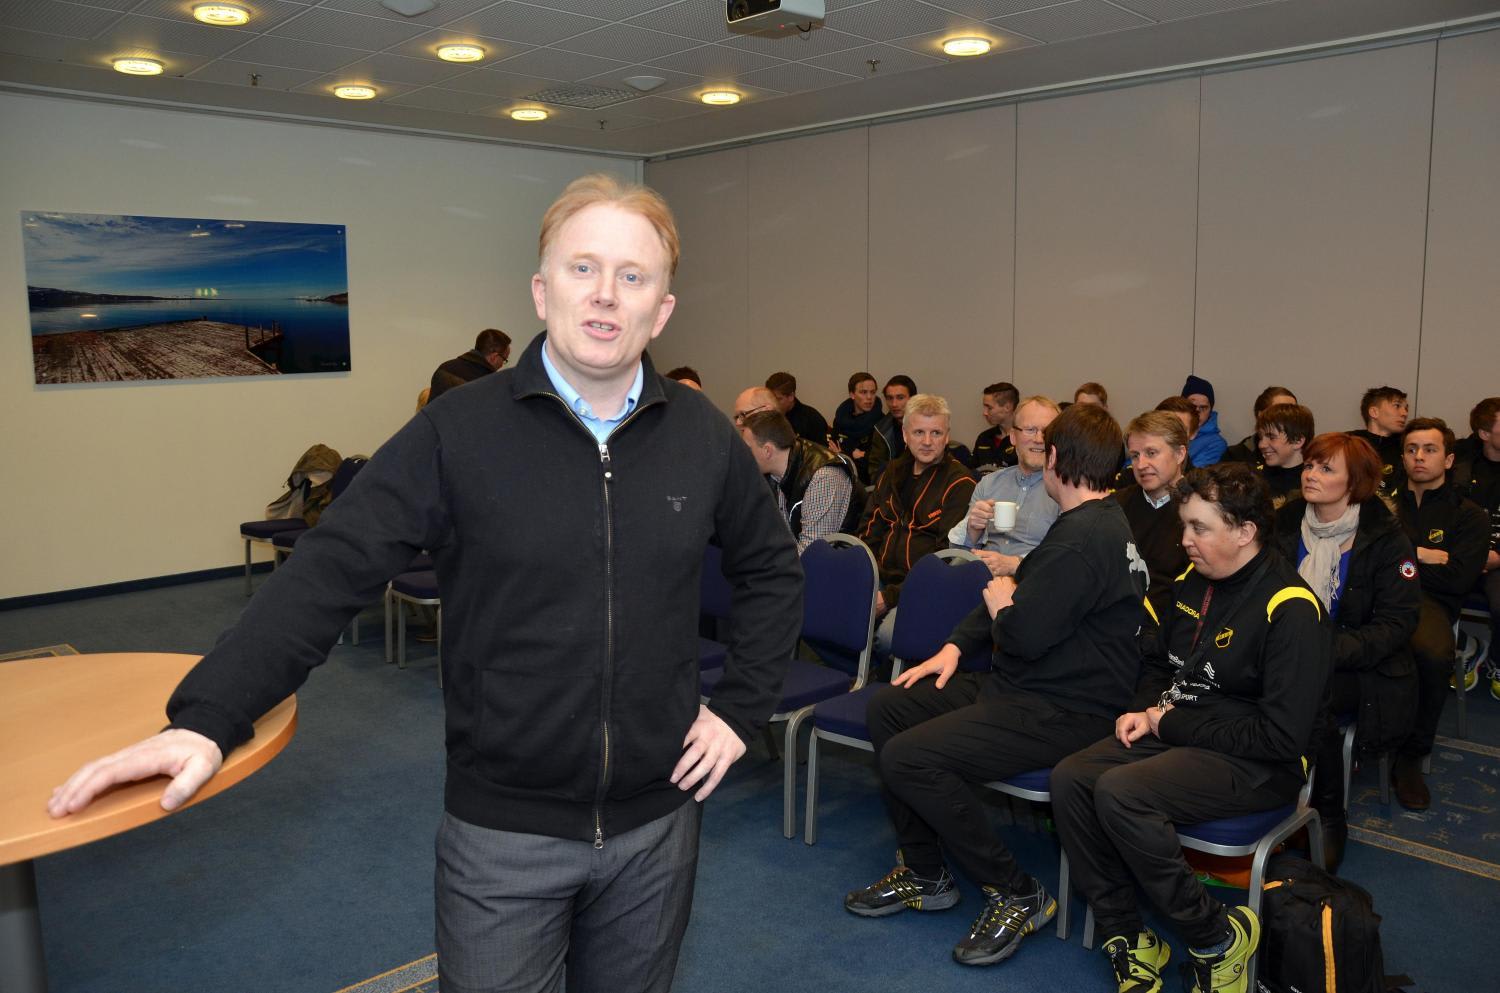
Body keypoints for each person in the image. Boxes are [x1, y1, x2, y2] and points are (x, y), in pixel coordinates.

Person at [48, 174, 804, 993]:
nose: (605, 294)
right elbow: (331, 567)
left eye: (633, 275)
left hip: (658, 828)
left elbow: (771, 569)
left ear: (662, 309)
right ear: (542, 290)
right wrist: (210, 715)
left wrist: (740, 709)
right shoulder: (458, 430)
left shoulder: (703, 437)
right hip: (504, 835)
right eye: (583, 267)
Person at [845, 403, 1147, 968]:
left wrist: (1004, 609)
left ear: (1056, 459)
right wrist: (955, 647)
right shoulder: (1087, 523)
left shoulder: (1083, 538)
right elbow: (1018, 592)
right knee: (890, 708)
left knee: (910, 758)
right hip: (1025, 689)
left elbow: (1020, 628)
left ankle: (1016, 891)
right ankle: (926, 873)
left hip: (1062, 710)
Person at [1052, 463, 1329, 993]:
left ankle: (1216, 938)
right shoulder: (1192, 581)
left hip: (1260, 762)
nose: (1185, 540)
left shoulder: (1292, 609)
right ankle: (1126, 932)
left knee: (1122, 792)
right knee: (1071, 777)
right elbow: (1159, 662)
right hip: (1185, 731)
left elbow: (1281, 738)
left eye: (1199, 527)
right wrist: (1147, 710)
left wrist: (1173, 723)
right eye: (1185, 525)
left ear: (1245, 532)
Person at [1274, 433, 1419, 870]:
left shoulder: (1386, 537)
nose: (1311, 474)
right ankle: (1262, 799)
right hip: (1287, 651)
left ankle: (1329, 814)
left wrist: (1324, 650)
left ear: (1354, 483)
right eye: (1309, 465)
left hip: (1359, 666)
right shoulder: (1284, 524)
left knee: (1312, 695)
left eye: (1325, 468)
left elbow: (1396, 625)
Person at [1390, 417, 1489, 809]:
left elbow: (1457, 578)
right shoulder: (1381, 506)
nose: (1419, 456)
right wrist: (1420, 555)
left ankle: (1411, 756)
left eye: (1429, 449)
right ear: (1402, 457)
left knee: (1432, 655)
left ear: (1448, 460)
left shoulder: (1469, 515)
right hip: (1378, 596)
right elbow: (1364, 559)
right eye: (1411, 449)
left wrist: (1399, 558)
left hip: (1430, 603)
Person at [859, 394, 976, 652]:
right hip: (879, 576)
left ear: (947, 436)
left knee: (887, 637)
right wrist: (863, 577)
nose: (927, 442)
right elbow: (869, 530)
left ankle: (883, 670)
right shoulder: (891, 472)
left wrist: (890, 597)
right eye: (919, 432)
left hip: (922, 587)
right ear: (905, 435)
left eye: (936, 433)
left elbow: (945, 558)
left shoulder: (960, 483)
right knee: (826, 611)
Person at [949, 396, 1061, 578]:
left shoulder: (1065, 490)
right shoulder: (989, 484)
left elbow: (1066, 560)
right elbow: (958, 554)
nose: (1039, 439)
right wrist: (973, 530)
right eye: (1030, 430)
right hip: (981, 579)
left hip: (1034, 584)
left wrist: (1016, 565)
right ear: (1013, 436)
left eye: (1047, 432)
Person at [739, 409, 859, 552]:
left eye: (747, 449)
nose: (742, 456)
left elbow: (812, 553)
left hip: (840, 561)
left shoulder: (823, 476)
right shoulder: (774, 472)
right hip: (797, 558)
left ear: (767, 451)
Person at [1116, 411, 1191, 625]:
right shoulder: (1116, 506)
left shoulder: (1200, 509)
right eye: (1135, 455)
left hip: (1173, 623)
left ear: (1180, 454)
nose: (1141, 465)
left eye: (1151, 453)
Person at [1452, 397, 1500, 693]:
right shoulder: (1461, 465)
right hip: (1463, 555)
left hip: (1498, 560)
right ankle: (1465, 646)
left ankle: (1497, 661)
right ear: (1484, 434)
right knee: (1418, 595)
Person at [1349, 385, 1409, 500]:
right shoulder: (1348, 443)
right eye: (1397, 406)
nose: (1404, 413)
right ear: (1374, 412)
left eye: (1406, 408)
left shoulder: (1408, 447)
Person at [1254, 403, 1315, 508]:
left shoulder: (1313, 482)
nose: (1261, 445)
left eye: (1271, 437)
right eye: (1260, 437)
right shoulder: (1256, 478)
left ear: (1297, 441)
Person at [831, 372, 886, 484]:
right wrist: (853, 453)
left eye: (872, 392)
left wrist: (845, 453)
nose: (869, 397)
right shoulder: (840, 419)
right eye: (863, 392)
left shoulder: (882, 422)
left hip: (870, 483)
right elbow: (833, 452)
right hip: (841, 478)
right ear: (852, 394)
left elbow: (876, 460)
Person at [429, 328, 511, 402]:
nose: (502, 365)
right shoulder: (490, 384)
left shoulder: (445, 368)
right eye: (504, 360)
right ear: (494, 357)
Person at [1222, 386, 1296, 465]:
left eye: (1293, 412)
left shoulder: (1303, 450)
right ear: (1260, 416)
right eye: (1281, 412)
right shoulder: (1236, 456)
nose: (1290, 418)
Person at [867, 375, 917, 485]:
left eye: (900, 398)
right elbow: (875, 471)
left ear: (913, 399)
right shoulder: (881, 429)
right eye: (890, 398)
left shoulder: (927, 426)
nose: (894, 404)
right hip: (892, 487)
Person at [765, 371, 829, 446]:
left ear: (791, 396)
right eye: (770, 398)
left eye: (778, 399)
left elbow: (821, 452)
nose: (773, 403)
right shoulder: (767, 417)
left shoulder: (812, 419)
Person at [972, 382, 1020, 475]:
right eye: (984, 407)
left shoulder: (1023, 439)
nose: (984, 413)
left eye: (989, 408)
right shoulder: (983, 438)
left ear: (1007, 407)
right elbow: (972, 472)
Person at [1182, 375, 1228, 467]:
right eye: (1192, 406)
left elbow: (1194, 475)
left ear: (1210, 411)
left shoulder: (1216, 443)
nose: (1197, 412)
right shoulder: (1167, 432)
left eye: (1203, 408)